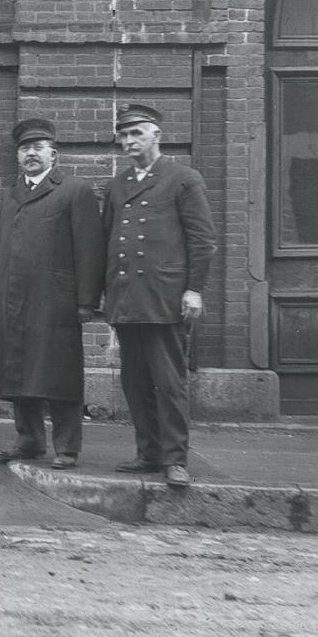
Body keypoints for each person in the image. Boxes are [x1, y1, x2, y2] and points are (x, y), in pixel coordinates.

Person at [101, 103, 216, 488]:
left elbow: (203, 241)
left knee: (169, 383)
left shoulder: (183, 179)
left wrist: (195, 289)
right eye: (123, 135)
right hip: (127, 299)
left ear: (156, 135)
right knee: (134, 382)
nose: (129, 141)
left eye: (136, 133)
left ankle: (174, 459)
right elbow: (108, 241)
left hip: (165, 299)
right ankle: (148, 453)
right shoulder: (118, 185)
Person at [0, 116, 104, 468]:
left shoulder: (74, 191)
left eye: (37, 148)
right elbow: (0, 247)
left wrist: (86, 302)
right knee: (19, 372)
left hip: (56, 303)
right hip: (14, 300)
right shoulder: (12, 195)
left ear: (54, 154)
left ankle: (67, 448)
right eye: (24, 148)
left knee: (60, 376)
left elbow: (90, 250)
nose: (30, 154)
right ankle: (29, 441)